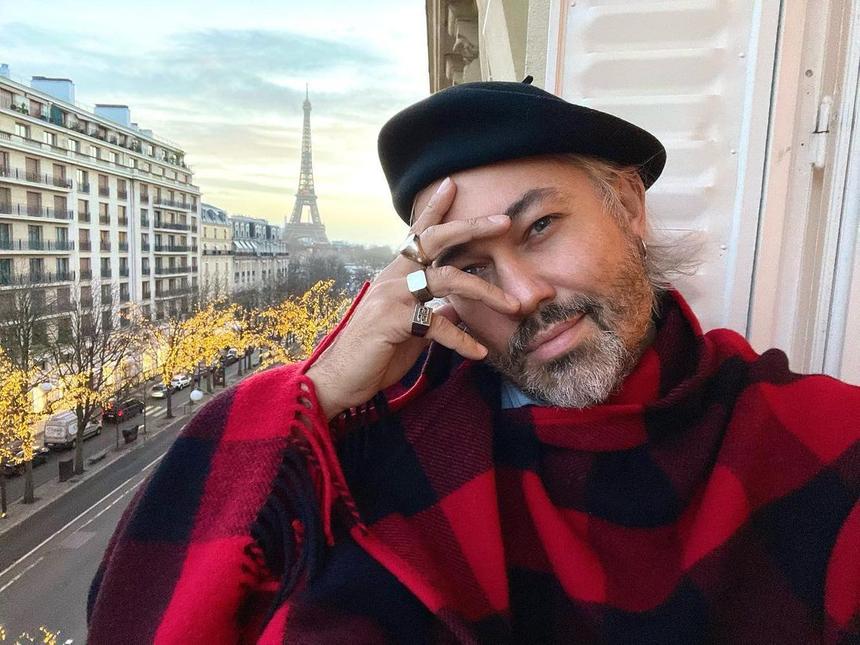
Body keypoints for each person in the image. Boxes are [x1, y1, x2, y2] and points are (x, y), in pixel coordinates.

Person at [87, 80, 859, 644]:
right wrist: (319, 390)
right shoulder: (393, 467)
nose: (521, 295)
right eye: (469, 266)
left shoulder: (823, 442)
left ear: (627, 205)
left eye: (540, 227)